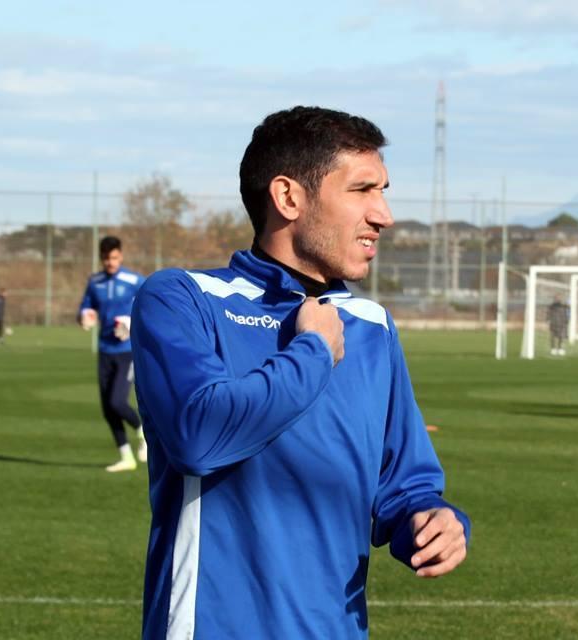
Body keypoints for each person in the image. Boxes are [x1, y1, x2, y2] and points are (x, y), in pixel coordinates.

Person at [131, 106, 470, 639]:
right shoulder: (185, 299)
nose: (383, 215)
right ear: (288, 197)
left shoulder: (371, 326)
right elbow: (198, 437)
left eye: (383, 191)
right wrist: (312, 352)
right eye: (362, 190)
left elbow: (404, 484)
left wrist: (431, 521)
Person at [79, 236, 147, 473]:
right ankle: (126, 457)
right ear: (101, 257)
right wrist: (85, 316)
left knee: (117, 402)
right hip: (105, 350)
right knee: (107, 409)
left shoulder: (134, 280)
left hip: (127, 350)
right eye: (107, 258)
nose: (111, 262)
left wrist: (131, 322)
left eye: (115, 258)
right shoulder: (94, 282)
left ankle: (144, 432)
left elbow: (150, 305)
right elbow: (86, 306)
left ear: (121, 256)